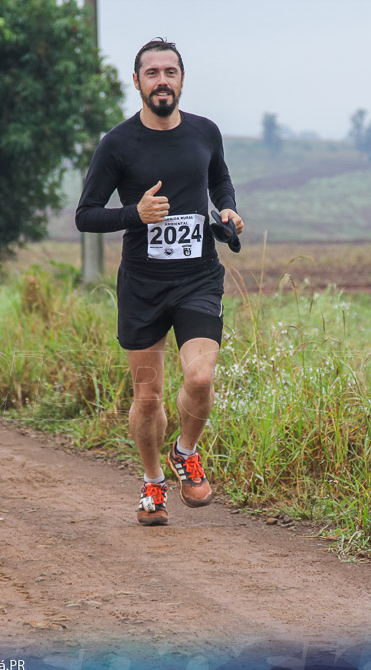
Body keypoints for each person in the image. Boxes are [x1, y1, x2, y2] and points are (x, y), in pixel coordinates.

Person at [76, 38, 243, 526]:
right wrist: (136, 214)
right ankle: (153, 483)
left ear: (182, 79)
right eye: (152, 73)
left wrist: (227, 208)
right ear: (137, 82)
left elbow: (220, 180)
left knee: (201, 376)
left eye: (170, 72)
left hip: (197, 278)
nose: (162, 80)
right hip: (143, 287)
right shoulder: (117, 144)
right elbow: (85, 216)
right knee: (147, 397)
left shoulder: (205, 132)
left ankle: (185, 451)